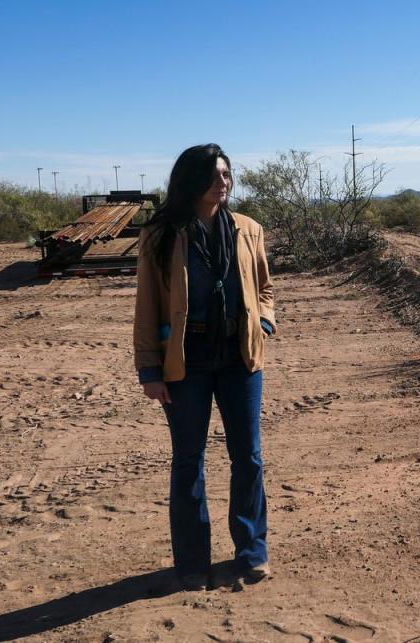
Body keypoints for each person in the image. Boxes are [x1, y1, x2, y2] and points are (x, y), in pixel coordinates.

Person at [133, 144, 276, 590]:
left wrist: (264, 320)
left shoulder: (249, 229)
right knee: (189, 460)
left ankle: (252, 552)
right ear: (192, 181)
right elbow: (147, 305)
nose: (224, 182)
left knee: (248, 458)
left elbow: (265, 284)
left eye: (228, 174)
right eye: (215, 175)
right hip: (186, 362)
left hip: (240, 359)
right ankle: (193, 563)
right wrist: (149, 371)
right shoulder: (161, 234)